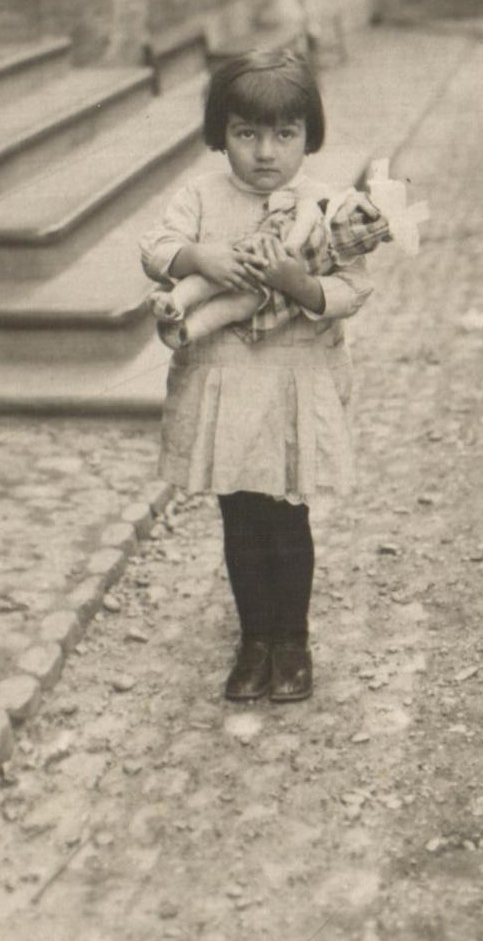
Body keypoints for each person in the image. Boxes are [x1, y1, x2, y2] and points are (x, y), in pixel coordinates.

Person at [138, 48, 374, 705]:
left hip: (291, 380)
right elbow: (153, 249)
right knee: (239, 515)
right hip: (225, 379)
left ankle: (292, 641)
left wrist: (297, 281)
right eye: (246, 134)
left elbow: (353, 289)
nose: (265, 152)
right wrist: (199, 256)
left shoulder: (329, 203)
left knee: (285, 514)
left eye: (284, 134)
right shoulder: (200, 195)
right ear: (222, 134)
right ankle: (254, 641)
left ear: (307, 135)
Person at [146, 183, 391, 349]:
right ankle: (175, 301)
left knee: (238, 307)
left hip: (272, 290)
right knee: (216, 277)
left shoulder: (339, 255)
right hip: (261, 252)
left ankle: (186, 332)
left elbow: (351, 293)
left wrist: (296, 282)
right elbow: (304, 219)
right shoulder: (316, 209)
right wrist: (292, 245)